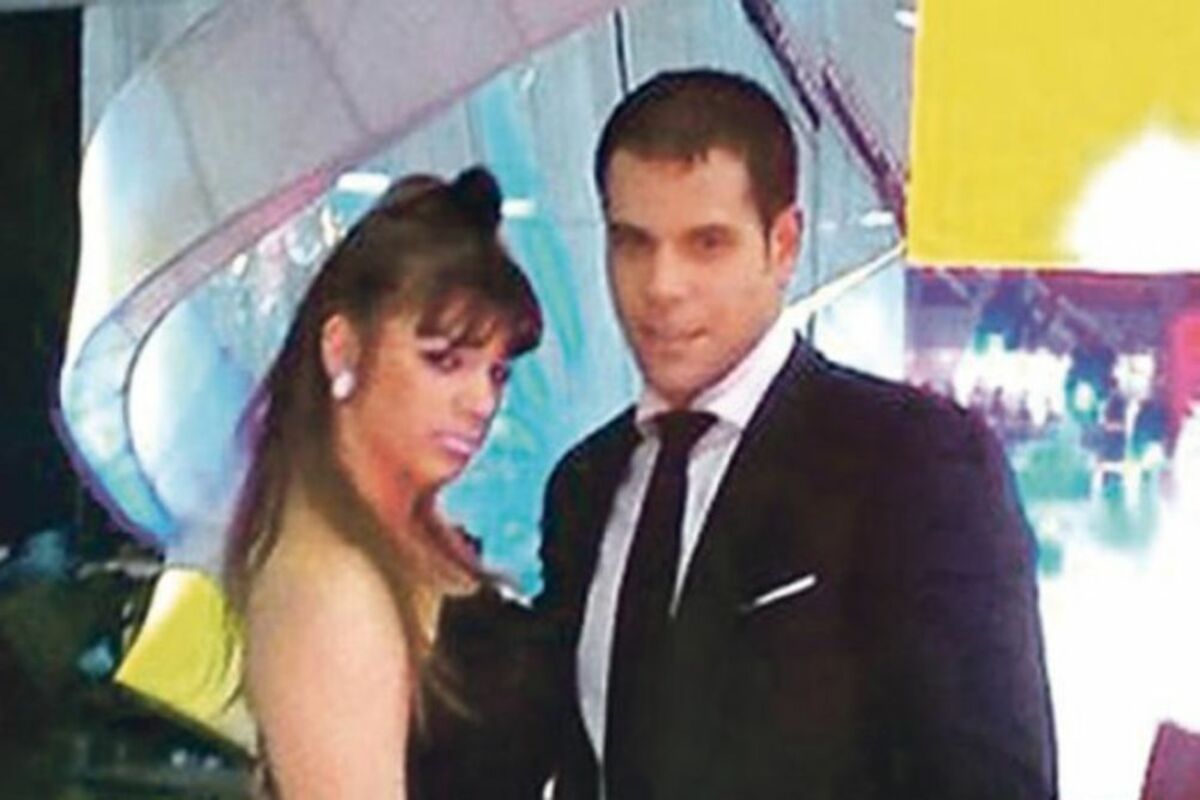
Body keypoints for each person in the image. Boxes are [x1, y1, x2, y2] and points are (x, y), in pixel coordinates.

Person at [528, 69, 1058, 799]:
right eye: (633, 243)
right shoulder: (584, 485)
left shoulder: (912, 461)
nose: (662, 286)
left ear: (783, 245)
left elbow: (993, 785)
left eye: (706, 244)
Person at [223, 166, 542, 799]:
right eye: (444, 361)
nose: (480, 402)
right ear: (342, 349)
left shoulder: (408, 535)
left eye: (497, 372)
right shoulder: (329, 586)